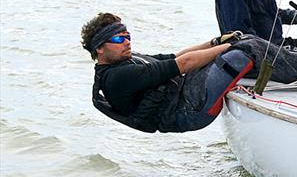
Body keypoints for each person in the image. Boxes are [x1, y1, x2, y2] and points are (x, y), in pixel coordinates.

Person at [82, 12, 253, 133]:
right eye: (119, 39)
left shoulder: (126, 60)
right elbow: (184, 63)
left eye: (128, 36)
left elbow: (176, 57)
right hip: (190, 110)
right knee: (239, 54)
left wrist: (216, 42)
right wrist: (234, 45)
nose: (127, 42)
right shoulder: (117, 77)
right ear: (99, 48)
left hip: (185, 92)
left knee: (244, 45)